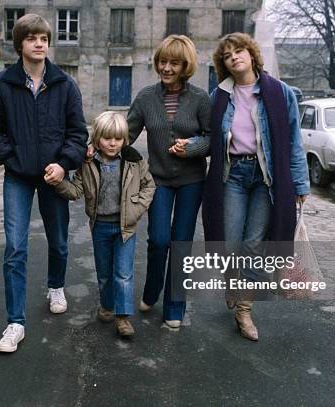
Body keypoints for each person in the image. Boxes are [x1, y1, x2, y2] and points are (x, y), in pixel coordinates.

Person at [175, 32, 310, 341]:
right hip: (233, 175)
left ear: (251, 54)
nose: (234, 57)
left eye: (239, 51)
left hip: (267, 178)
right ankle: (232, 284)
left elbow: (293, 141)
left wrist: (300, 183)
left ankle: (244, 309)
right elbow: (210, 137)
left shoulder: (281, 93)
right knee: (231, 243)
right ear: (223, 64)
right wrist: (190, 144)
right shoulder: (219, 96)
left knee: (253, 244)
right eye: (227, 55)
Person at [0, 14, 88, 353]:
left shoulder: (65, 84)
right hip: (19, 177)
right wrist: (12, 159)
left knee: (59, 242)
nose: (39, 43)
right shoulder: (1, 85)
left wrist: (64, 163)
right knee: (15, 247)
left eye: (44, 38)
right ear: (20, 44)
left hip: (55, 175)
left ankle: (56, 286)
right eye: (32, 38)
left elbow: (78, 133)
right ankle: (15, 322)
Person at [127, 35, 211, 328]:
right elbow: (125, 134)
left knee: (181, 243)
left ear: (185, 65)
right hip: (158, 180)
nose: (166, 67)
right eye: (163, 61)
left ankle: (175, 305)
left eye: (174, 63)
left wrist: (193, 147)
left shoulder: (201, 98)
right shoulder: (146, 97)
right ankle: (152, 290)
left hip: (192, 181)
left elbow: (213, 138)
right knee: (159, 240)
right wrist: (97, 145)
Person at [55, 111, 155, 337]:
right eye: (107, 138)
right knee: (104, 273)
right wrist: (59, 182)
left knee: (123, 273)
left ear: (125, 139)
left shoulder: (134, 160)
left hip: (125, 227)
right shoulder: (88, 162)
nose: (113, 143)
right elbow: (76, 190)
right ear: (97, 138)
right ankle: (108, 306)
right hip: (100, 226)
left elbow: (149, 186)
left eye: (118, 138)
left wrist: (136, 208)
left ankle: (123, 317)